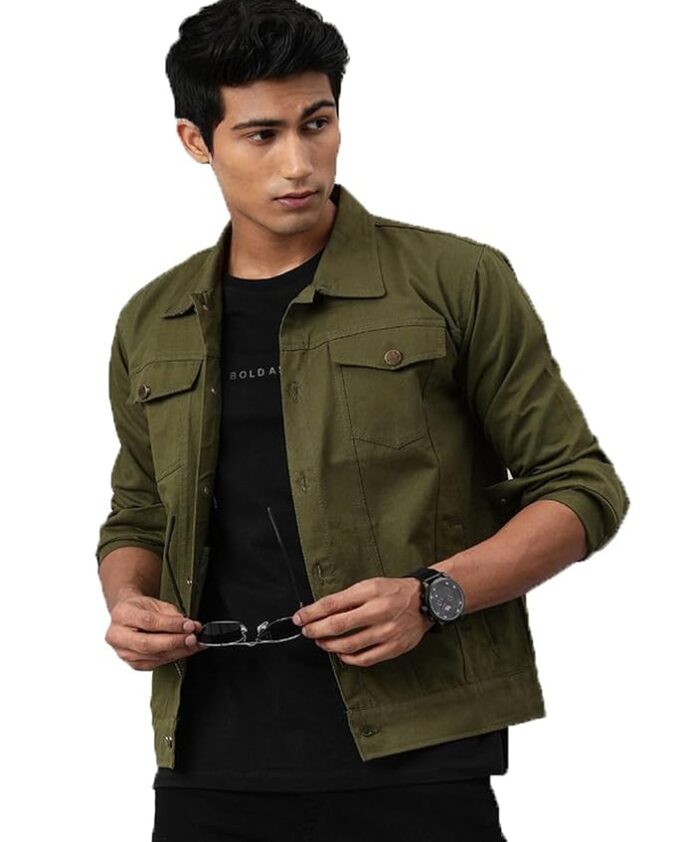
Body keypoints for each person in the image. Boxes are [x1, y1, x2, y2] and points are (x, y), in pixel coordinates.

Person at [95, 1, 630, 840]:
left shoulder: (455, 280)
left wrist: (433, 595)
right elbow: (138, 515)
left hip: (418, 755)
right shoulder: (150, 320)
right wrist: (129, 602)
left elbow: (582, 488)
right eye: (261, 135)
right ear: (196, 141)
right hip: (209, 761)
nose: (298, 163)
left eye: (317, 123)